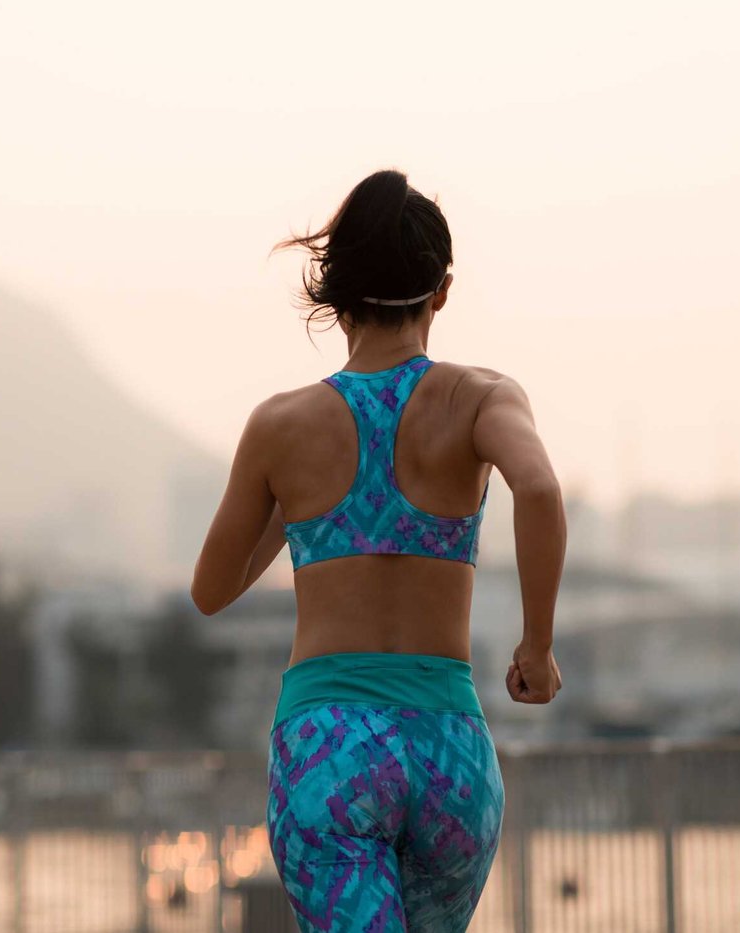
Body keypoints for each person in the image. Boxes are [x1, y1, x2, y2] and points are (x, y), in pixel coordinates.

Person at [192, 169, 566, 932]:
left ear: (337, 294)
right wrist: (537, 648)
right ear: (443, 290)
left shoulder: (281, 424)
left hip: (330, 748)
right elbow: (540, 489)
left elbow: (212, 587)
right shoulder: (482, 398)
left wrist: (298, 505)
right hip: (450, 752)